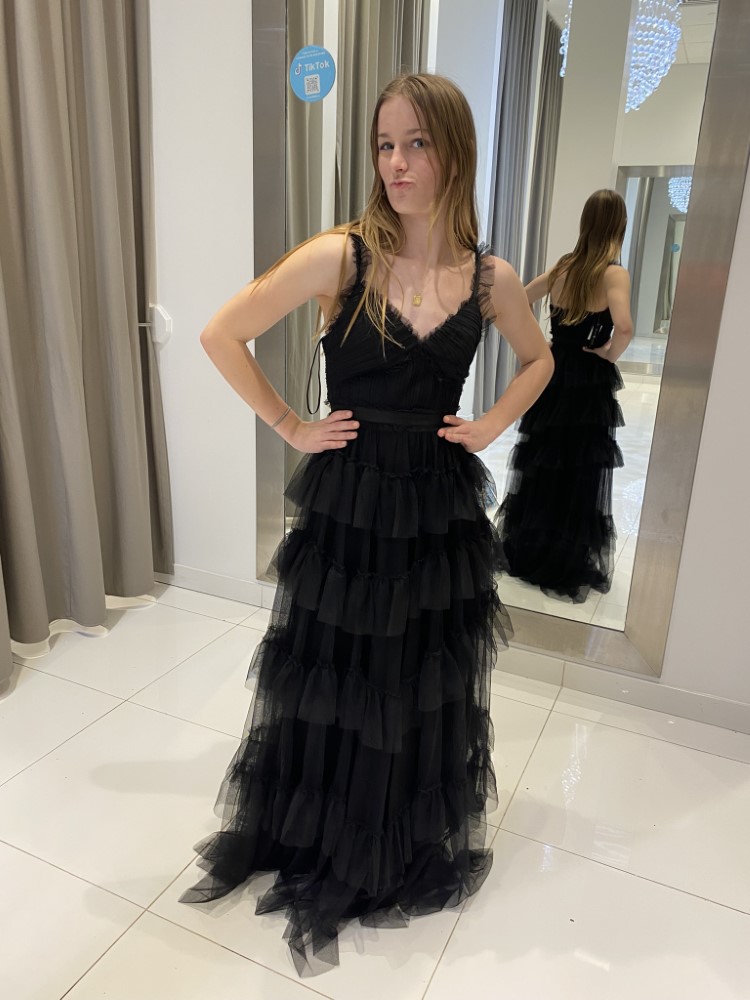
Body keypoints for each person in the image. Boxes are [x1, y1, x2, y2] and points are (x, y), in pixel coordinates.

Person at [181, 73, 553, 975]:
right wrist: (289, 424)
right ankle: (321, 830)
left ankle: (394, 833)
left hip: (434, 510)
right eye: (385, 144)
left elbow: (540, 360)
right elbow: (222, 332)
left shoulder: (491, 278)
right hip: (348, 507)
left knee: (415, 678)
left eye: (417, 143)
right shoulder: (340, 257)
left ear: (455, 151)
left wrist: (491, 425)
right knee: (338, 671)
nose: (396, 163)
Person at [496, 188, 633, 603]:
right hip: (589, 379)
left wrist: (536, 344)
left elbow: (520, 296)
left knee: (543, 459)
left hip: (552, 372)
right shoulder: (613, 274)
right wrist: (607, 354)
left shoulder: (562, 267)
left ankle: (530, 547)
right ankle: (567, 555)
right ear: (619, 226)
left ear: (585, 223)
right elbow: (625, 327)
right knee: (579, 467)